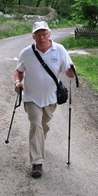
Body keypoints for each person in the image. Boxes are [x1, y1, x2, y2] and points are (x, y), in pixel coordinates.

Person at [14, 21, 75, 178]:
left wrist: (71, 72)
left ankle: (38, 143)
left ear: (50, 34)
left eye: (44, 34)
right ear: (33, 36)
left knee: (44, 125)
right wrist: (18, 82)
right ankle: (37, 162)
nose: (42, 37)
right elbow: (19, 71)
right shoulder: (26, 52)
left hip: (50, 97)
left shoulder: (59, 50)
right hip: (31, 97)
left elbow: (68, 73)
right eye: (38, 35)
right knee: (35, 125)